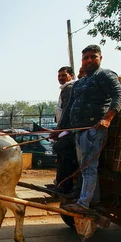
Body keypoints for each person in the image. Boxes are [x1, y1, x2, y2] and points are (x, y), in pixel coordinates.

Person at [60, 45, 121, 214]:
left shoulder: (105, 75)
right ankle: (91, 199)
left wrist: (107, 118)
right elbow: (69, 108)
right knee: (83, 168)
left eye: (92, 57)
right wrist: (59, 129)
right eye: (85, 58)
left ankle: (83, 203)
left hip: (93, 130)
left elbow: (120, 95)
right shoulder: (79, 83)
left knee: (88, 168)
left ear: (100, 58)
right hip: (79, 131)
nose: (89, 60)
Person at [50, 66, 78, 195]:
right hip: (66, 129)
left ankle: (65, 185)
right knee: (60, 152)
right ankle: (61, 183)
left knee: (60, 149)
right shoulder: (65, 89)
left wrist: (58, 129)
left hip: (70, 130)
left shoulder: (69, 88)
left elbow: (67, 110)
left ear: (71, 76)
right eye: (59, 76)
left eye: (64, 75)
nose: (61, 78)